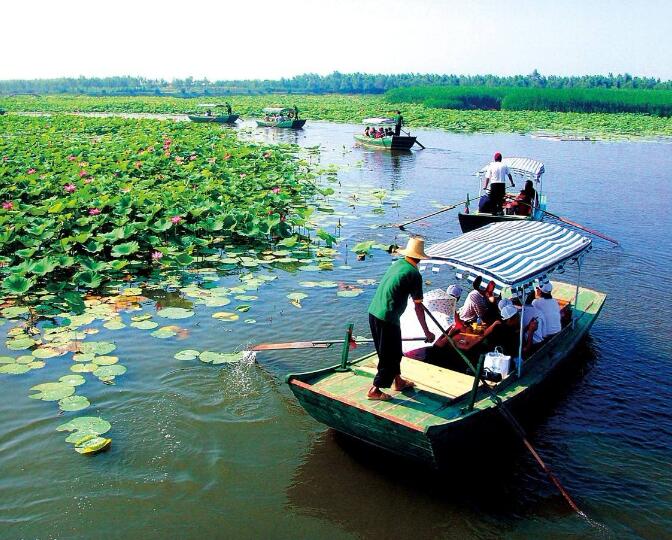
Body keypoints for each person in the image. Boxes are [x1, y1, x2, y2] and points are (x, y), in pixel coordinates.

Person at [367, 237, 435, 400]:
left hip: (374, 312)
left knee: (395, 351)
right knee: (388, 356)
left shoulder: (398, 264)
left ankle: (398, 381)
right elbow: (418, 307)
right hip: (387, 318)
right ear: (419, 257)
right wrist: (427, 332)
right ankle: (375, 390)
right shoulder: (414, 274)